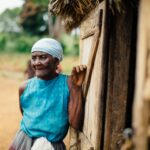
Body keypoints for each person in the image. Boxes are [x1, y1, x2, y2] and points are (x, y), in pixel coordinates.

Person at [9, 38, 87, 150]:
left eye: (43, 57)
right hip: (23, 142)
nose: (37, 62)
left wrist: (76, 88)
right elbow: (26, 114)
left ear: (57, 61)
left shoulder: (69, 83)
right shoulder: (24, 88)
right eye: (34, 58)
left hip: (52, 146)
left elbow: (75, 124)